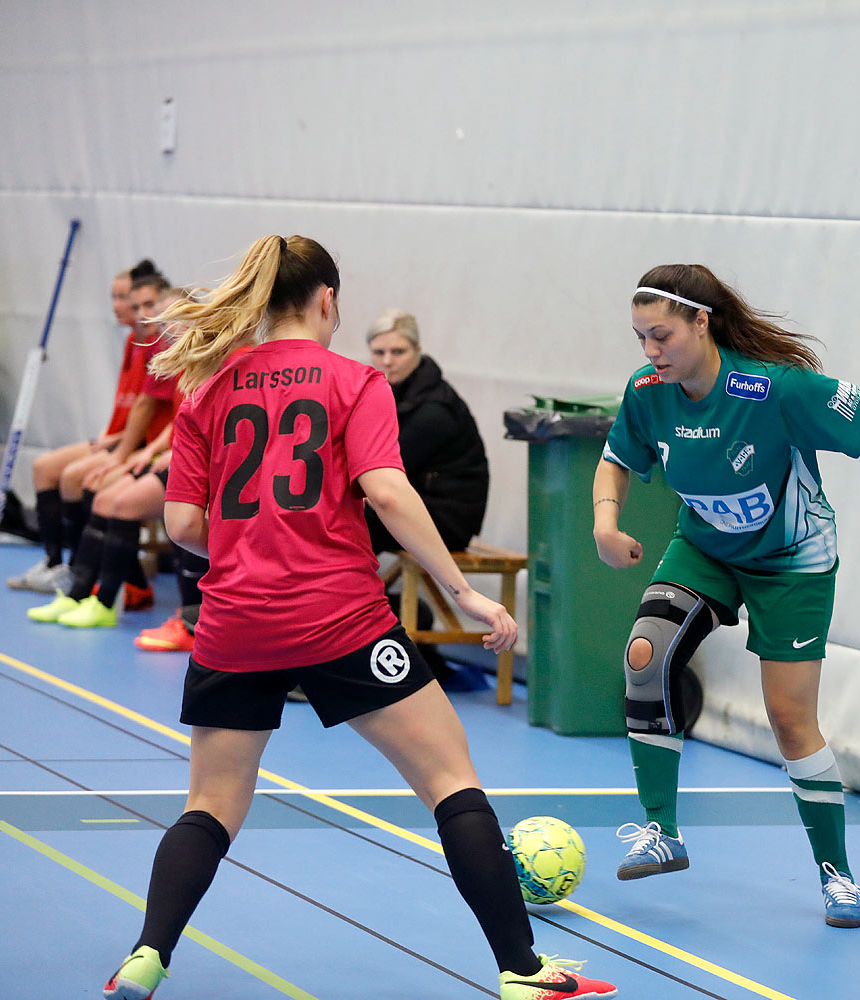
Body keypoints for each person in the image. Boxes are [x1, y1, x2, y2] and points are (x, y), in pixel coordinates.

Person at [100, 235, 616, 1000]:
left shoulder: (208, 388)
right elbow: (388, 492)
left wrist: (250, 547)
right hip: (340, 619)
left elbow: (180, 523)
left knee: (209, 806)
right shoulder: (355, 383)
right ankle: (523, 970)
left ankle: (145, 956)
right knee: (450, 780)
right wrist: (463, 591)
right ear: (328, 301)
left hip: (234, 623)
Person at [593, 264, 860, 929]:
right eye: (641, 337)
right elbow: (619, 455)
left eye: (662, 335)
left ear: (702, 323)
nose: (650, 351)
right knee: (646, 654)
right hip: (705, 547)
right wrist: (605, 521)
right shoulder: (649, 391)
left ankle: (837, 875)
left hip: (793, 558)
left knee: (791, 720)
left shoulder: (774, 389)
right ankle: (661, 829)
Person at [7, 260, 161, 593]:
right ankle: (56, 563)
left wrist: (120, 449)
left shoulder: (158, 346)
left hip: (135, 445)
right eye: (118, 299)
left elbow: (150, 411)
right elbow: (133, 406)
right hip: (120, 439)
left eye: (128, 299)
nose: (121, 307)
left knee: (76, 478)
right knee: (43, 466)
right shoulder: (133, 344)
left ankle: (89, 572)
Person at [363, 310, 491, 684]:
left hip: (449, 518)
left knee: (345, 526)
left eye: (398, 351)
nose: (388, 361)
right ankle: (390, 620)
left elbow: (382, 469)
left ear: (417, 350)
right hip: (425, 504)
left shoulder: (434, 407)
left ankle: (359, 623)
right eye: (379, 351)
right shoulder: (395, 392)